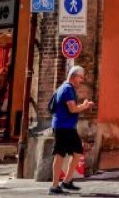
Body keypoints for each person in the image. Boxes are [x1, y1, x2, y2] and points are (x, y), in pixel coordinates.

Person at [50, 66, 95, 195]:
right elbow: (72, 109)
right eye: (80, 77)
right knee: (59, 155)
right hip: (62, 127)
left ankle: (67, 180)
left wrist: (82, 106)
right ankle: (54, 186)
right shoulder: (67, 89)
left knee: (77, 152)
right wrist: (85, 106)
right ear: (74, 76)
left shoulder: (65, 88)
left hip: (68, 127)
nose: (82, 80)